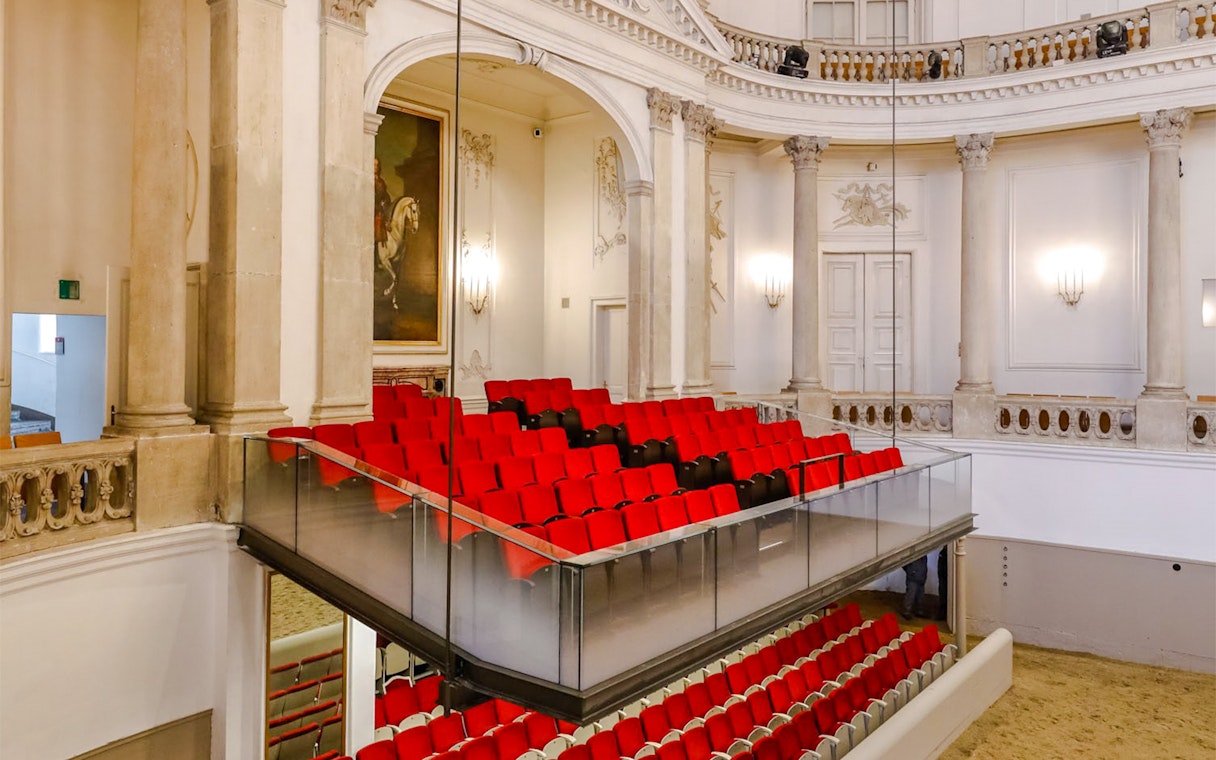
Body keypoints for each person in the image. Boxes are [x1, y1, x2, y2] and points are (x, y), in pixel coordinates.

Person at [901, 554, 928, 620]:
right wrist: (910, 572)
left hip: (921, 577)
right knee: (911, 595)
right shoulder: (911, 554)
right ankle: (907, 611)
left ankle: (919, 611)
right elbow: (904, 564)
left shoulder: (924, 555)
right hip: (913, 578)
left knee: (920, 595)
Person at [936, 545, 949, 621]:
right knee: (943, 595)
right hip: (943, 578)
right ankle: (942, 613)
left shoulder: (946, 554)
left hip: (945, 578)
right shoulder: (943, 553)